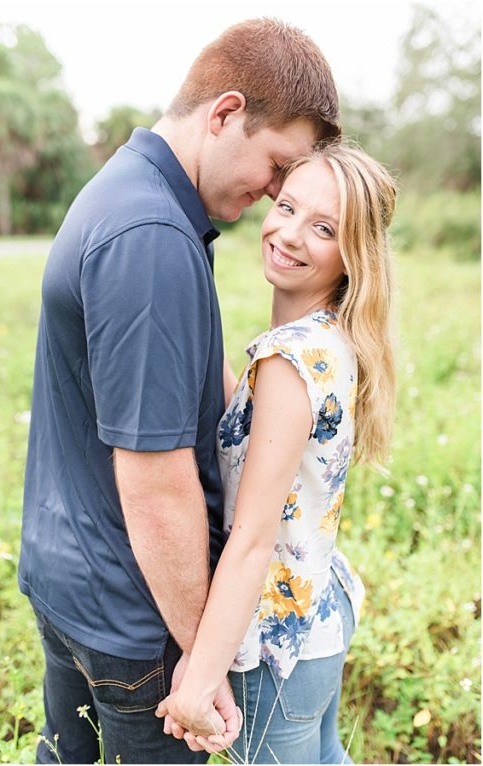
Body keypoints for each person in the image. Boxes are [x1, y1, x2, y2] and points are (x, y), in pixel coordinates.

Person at [17, 18, 341, 764]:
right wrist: (202, 659)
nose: (272, 194)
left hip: (72, 575)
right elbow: (157, 485)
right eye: (276, 166)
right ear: (225, 113)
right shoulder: (151, 237)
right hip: (135, 617)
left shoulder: (127, 191)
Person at [156, 143, 397, 764]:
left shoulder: (290, 360)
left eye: (322, 228)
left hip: (274, 647)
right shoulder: (332, 338)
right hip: (321, 609)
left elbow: (254, 537)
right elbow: (264, 430)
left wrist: (197, 685)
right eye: (286, 207)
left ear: (353, 254)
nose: (288, 234)